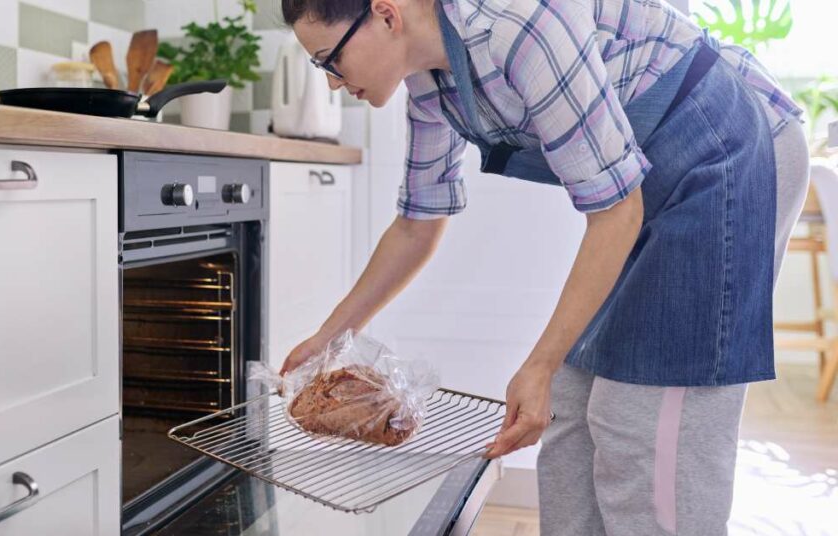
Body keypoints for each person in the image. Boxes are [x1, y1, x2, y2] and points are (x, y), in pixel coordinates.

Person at [277, 0, 809, 533]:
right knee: (570, 413)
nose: (330, 82)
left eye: (329, 60)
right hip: (643, 189)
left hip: (728, 152)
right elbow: (418, 222)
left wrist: (539, 365)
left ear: (386, 15)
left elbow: (616, 213)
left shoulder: (518, 27)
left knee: (640, 422)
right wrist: (330, 335)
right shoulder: (428, 83)